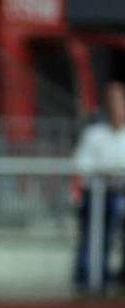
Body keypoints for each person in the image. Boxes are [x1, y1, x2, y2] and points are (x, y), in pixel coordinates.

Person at [73, 80, 125, 292]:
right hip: (96, 196)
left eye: (120, 101)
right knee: (92, 237)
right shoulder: (95, 134)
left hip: (120, 194)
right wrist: (105, 171)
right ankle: (88, 279)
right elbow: (81, 164)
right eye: (113, 101)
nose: (117, 107)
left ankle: (115, 276)